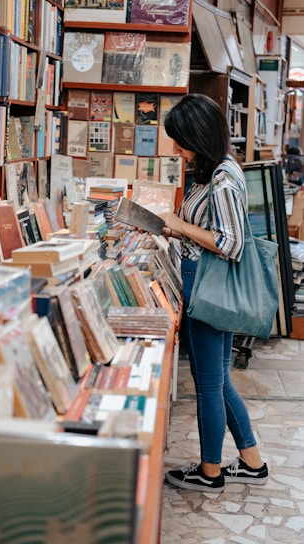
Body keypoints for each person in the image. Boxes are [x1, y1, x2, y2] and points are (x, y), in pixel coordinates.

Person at [159, 94, 268, 493]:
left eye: (181, 140)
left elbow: (231, 243)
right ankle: (252, 462)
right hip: (207, 281)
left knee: (207, 383)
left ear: (198, 137)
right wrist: (172, 228)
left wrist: (179, 227)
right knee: (218, 379)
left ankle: (209, 471)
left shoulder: (221, 179)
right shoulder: (219, 171)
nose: (176, 148)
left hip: (209, 286)